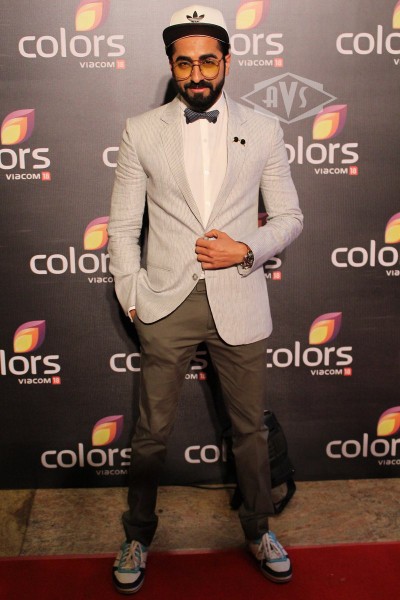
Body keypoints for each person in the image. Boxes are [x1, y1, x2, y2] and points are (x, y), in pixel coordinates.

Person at [108, 4, 303, 594]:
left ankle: (258, 528)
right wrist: (132, 295)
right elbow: (123, 227)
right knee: (151, 433)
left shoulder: (264, 128)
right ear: (171, 64)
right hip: (164, 303)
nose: (197, 74)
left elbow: (290, 217)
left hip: (238, 298)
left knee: (249, 431)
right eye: (185, 62)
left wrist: (245, 249)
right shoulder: (141, 130)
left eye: (208, 62)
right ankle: (138, 534)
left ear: (227, 62)